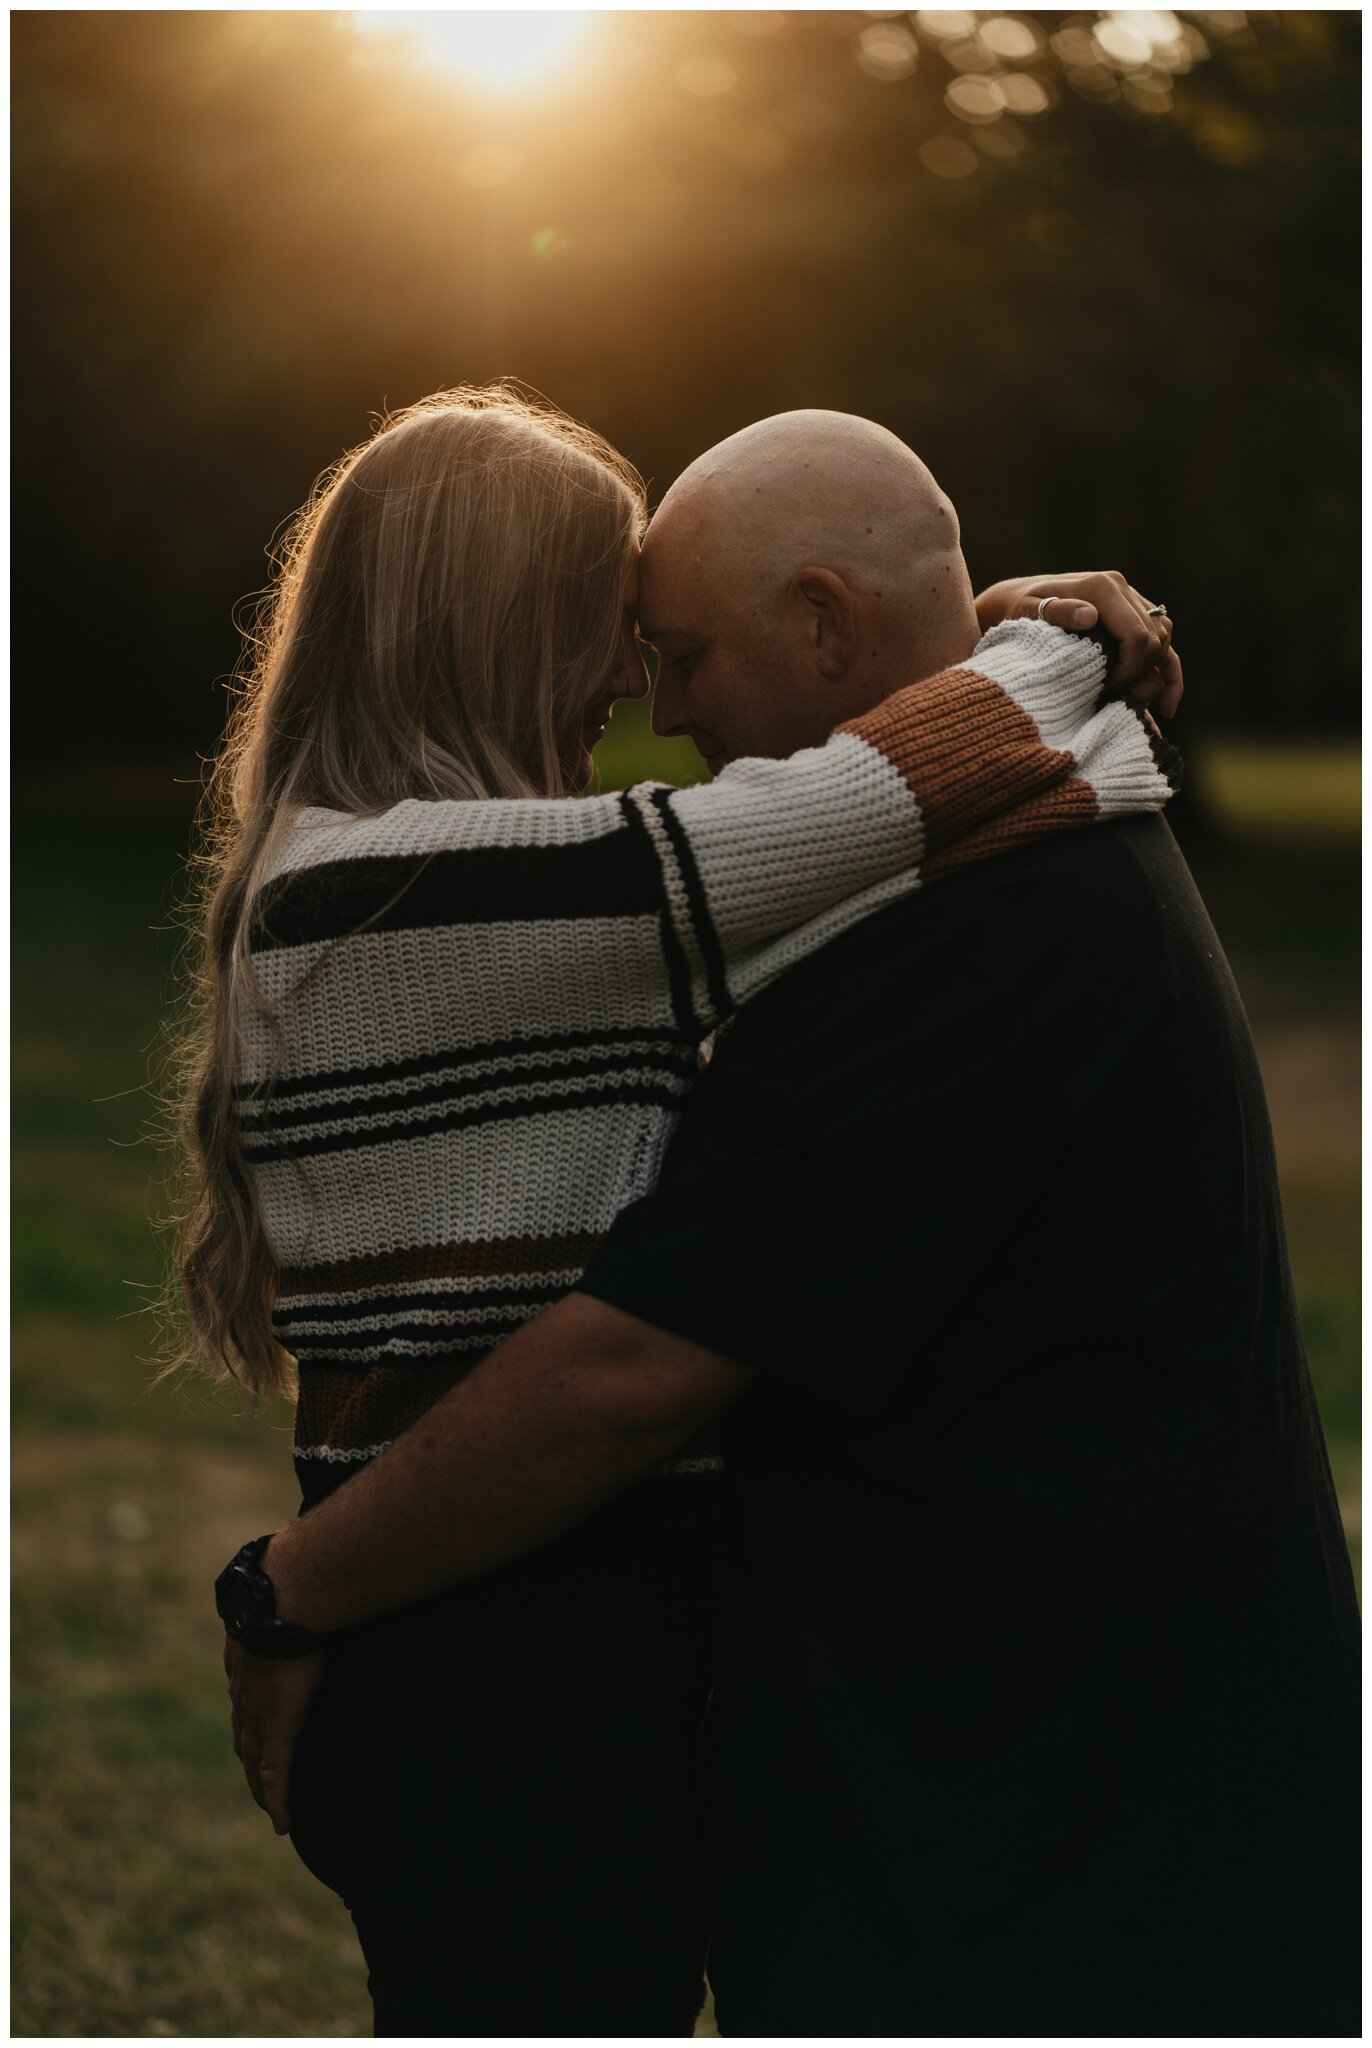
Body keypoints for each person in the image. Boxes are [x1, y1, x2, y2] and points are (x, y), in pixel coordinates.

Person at [193, 391, 1181, 2035]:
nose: (630, 689)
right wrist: (1057, 641)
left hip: (507, 1657)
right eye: (606, 629)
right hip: (496, 1672)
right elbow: (856, 807)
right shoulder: (424, 883)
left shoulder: (413, 875)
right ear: (496, 627)